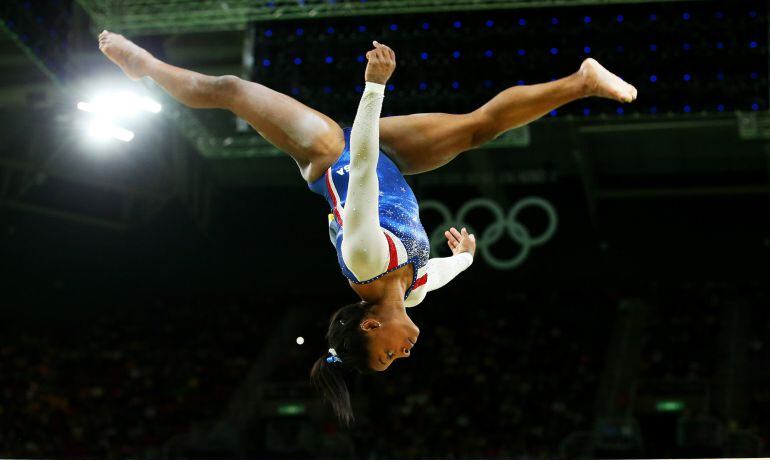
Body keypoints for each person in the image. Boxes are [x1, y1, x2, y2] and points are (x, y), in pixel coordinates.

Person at [98, 31, 637, 423]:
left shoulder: (364, 261)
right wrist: (467, 258)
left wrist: (374, 87)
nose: (403, 355)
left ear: (370, 327)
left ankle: (145, 65)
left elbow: (358, 168)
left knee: (231, 88)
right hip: (388, 160)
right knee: (478, 128)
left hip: (334, 154)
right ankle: (581, 81)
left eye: (386, 355)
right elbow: (442, 273)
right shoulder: (414, 291)